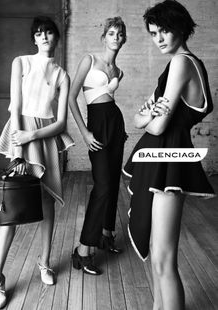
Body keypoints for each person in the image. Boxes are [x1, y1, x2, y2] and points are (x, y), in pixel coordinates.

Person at [122, 1, 215, 309]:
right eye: (153, 33)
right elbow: (137, 119)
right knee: (158, 256)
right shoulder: (175, 64)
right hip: (162, 159)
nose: (158, 38)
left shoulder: (183, 63)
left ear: (181, 28)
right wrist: (149, 115)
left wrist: (150, 116)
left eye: (164, 30)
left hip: (170, 160)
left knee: (164, 261)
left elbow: (158, 126)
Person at [0, 16, 74, 309]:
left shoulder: (62, 75)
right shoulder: (21, 63)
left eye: (49, 32)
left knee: (48, 201)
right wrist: (18, 146)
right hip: (20, 131)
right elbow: (16, 107)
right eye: (38, 33)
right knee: (12, 205)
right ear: (33, 38)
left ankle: (45, 262)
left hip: (44, 134)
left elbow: (62, 121)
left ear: (56, 38)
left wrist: (34, 135)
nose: (44, 37)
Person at [69, 16, 127, 275]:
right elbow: (71, 97)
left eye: (120, 33)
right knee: (102, 185)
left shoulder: (119, 71)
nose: (116, 37)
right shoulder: (89, 60)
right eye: (112, 33)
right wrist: (84, 132)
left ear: (123, 39)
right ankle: (82, 250)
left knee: (112, 181)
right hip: (97, 125)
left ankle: (106, 234)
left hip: (115, 124)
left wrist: (120, 131)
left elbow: (110, 102)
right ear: (104, 37)